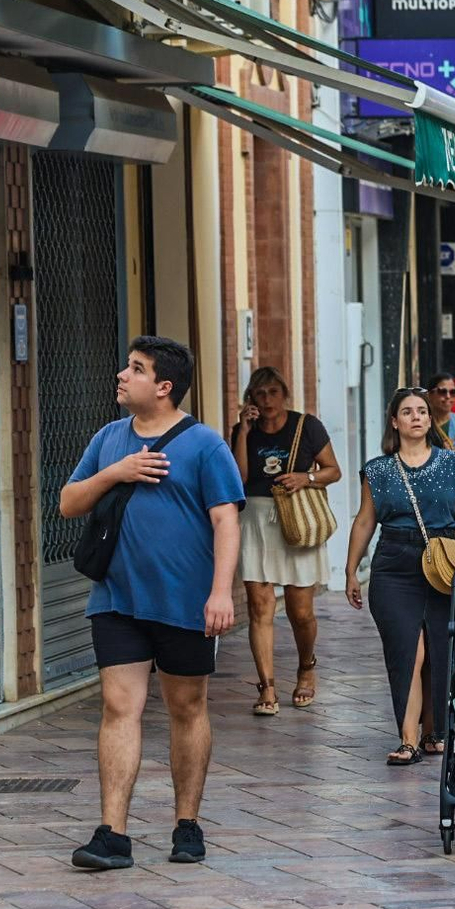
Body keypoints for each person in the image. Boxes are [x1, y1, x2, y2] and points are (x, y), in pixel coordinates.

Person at [61, 336, 243, 870]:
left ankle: (187, 823)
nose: (122, 374)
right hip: (117, 598)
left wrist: (219, 592)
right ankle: (112, 833)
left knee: (187, 708)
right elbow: (70, 503)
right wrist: (116, 472)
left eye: (135, 369)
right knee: (120, 708)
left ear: (163, 387)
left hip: (186, 602)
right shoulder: (109, 438)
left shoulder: (205, 445)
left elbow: (226, 520)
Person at [344, 388, 455, 764]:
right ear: (394, 420)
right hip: (394, 563)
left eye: (422, 411)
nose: (416, 417)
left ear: (430, 420)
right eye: (407, 411)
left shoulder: (454, 463)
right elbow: (365, 519)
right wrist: (352, 569)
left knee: (439, 651)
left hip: (445, 562)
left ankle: (435, 732)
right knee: (408, 653)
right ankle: (408, 738)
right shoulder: (378, 469)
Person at [230, 367, 341, 715]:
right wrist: (243, 432)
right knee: (259, 607)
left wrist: (305, 477)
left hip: (296, 518)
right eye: (259, 395)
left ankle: (307, 666)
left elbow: (332, 470)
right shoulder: (242, 431)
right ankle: (267, 687)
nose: (267, 401)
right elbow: (239, 479)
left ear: (285, 394)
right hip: (256, 520)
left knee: (300, 610)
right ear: (251, 399)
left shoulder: (306, 425)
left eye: (273, 393)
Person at [426, 373, 455, 452]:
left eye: (453, 392)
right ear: (429, 395)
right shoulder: (421, 425)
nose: (448, 396)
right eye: (442, 391)